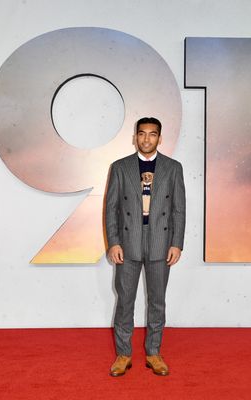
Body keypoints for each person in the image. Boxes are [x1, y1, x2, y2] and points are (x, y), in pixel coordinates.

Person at [105, 117, 186, 377]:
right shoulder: (119, 167)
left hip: (160, 241)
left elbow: (179, 210)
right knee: (125, 301)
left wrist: (177, 243)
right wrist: (113, 242)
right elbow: (111, 208)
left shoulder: (174, 168)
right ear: (135, 137)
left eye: (152, 134)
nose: (147, 139)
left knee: (157, 302)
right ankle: (123, 355)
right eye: (142, 134)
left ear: (160, 138)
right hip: (127, 242)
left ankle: (153, 353)